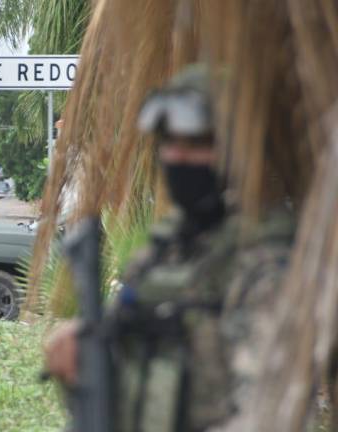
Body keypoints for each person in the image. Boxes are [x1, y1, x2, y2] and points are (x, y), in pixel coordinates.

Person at [43, 65, 295, 431]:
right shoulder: (164, 251)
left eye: (196, 144)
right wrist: (85, 350)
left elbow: (267, 409)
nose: (178, 157)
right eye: (170, 143)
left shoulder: (265, 258)